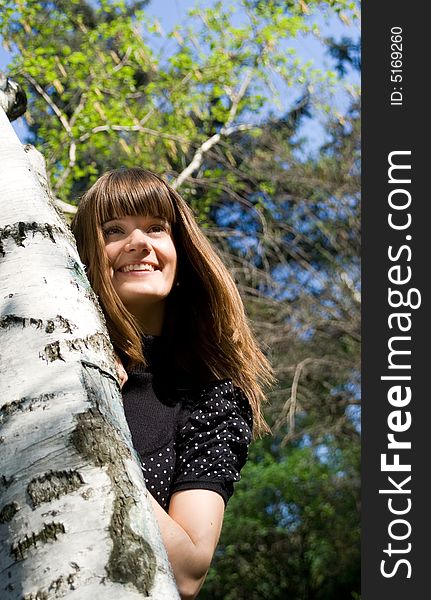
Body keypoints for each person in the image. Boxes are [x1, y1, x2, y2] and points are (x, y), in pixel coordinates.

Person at [71, 167, 273, 599]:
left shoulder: (211, 397)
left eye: (156, 228)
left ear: (179, 251)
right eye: (113, 230)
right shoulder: (38, 360)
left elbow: (187, 572)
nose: (139, 242)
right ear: (87, 253)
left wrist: (96, 431)